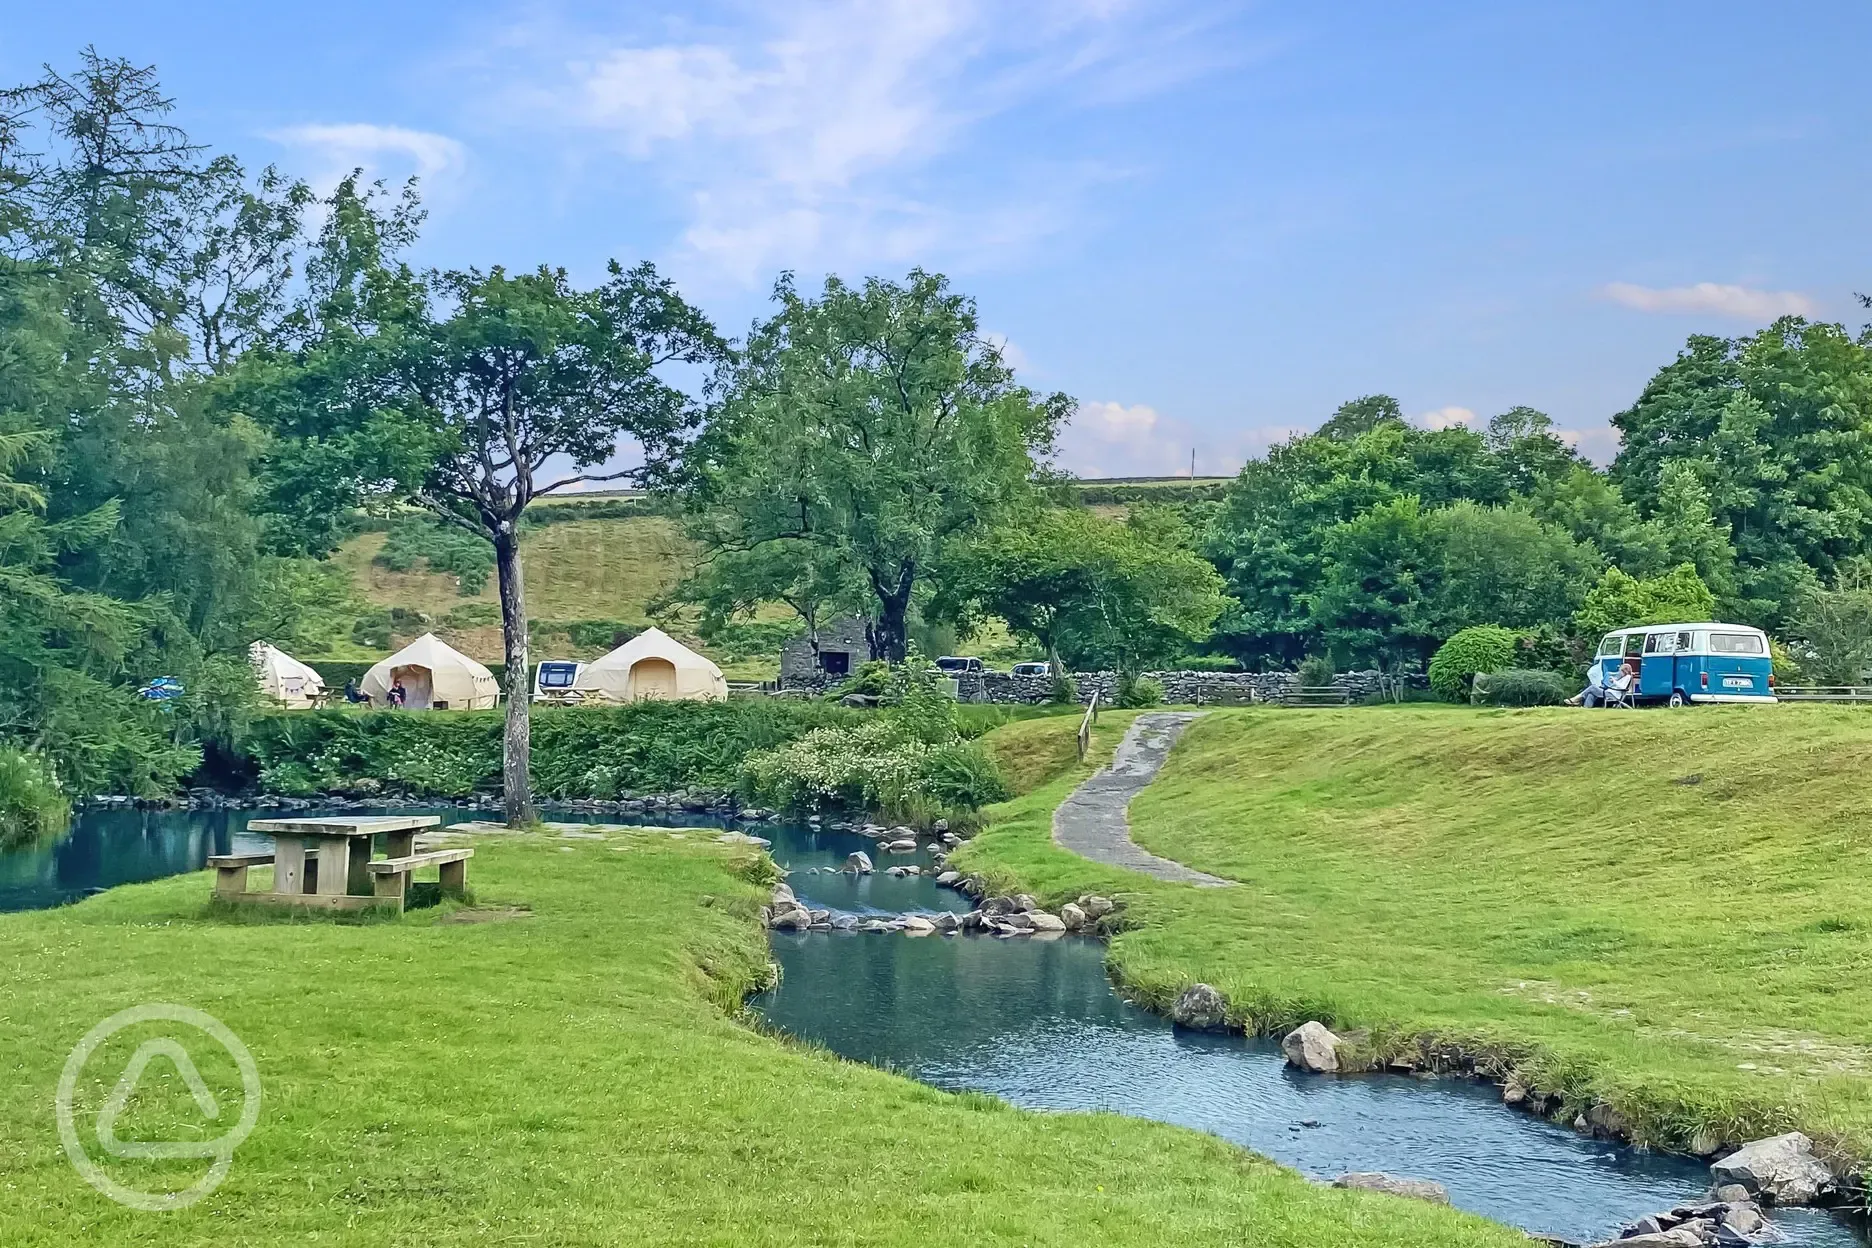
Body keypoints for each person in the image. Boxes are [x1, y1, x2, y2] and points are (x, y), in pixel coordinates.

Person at [1570, 660, 1634, 707]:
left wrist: (1614, 681)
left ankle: (1577, 698)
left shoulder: (1627, 677)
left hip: (1612, 695)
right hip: (1610, 692)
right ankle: (1586, 708)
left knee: (1593, 687)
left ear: (1624, 671)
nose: (1619, 673)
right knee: (1591, 693)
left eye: (1620, 671)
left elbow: (1623, 687)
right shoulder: (1624, 677)